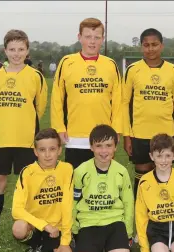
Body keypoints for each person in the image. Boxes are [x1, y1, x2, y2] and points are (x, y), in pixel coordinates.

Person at [0, 29, 48, 240]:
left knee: (28, 186)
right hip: (0, 140)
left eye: (21, 49)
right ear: (5, 51)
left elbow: (39, 108)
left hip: (26, 141)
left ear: (28, 51)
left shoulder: (36, 77)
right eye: (12, 49)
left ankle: (31, 228)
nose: (16, 54)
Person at [51, 18, 122, 169]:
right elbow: (57, 98)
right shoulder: (67, 62)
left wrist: (115, 129)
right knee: (77, 184)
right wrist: (59, 127)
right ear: (79, 37)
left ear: (102, 39)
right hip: (75, 136)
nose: (92, 42)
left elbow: (118, 101)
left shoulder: (110, 65)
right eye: (88, 37)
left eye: (97, 37)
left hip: (103, 136)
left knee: (102, 184)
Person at [122, 28, 174, 200]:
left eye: (154, 44)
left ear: (161, 46)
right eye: (146, 45)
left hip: (165, 134)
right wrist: (127, 136)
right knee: (142, 175)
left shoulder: (173, 71)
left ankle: (161, 211)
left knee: (163, 174)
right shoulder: (133, 70)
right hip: (139, 133)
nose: (150, 49)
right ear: (141, 47)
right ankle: (141, 210)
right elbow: (124, 104)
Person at [72, 124, 134, 252]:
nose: (104, 151)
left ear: (115, 147)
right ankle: (96, 247)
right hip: (89, 223)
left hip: (114, 222)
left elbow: (128, 203)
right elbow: (73, 202)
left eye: (108, 145)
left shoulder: (121, 171)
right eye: (99, 146)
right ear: (91, 147)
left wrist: (128, 232)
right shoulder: (81, 171)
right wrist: (74, 230)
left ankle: (111, 246)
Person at [11, 128, 74, 252]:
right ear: (35, 151)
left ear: (59, 150)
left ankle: (44, 245)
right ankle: (36, 243)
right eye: (42, 150)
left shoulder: (67, 169)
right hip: (36, 225)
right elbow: (16, 210)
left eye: (52, 149)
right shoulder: (27, 172)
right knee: (18, 228)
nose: (47, 155)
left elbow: (67, 205)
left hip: (57, 228)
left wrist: (65, 242)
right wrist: (45, 226)